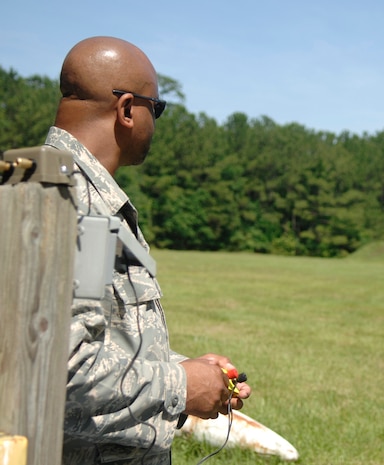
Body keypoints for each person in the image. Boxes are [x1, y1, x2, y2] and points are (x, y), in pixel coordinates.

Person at [44, 36, 251, 464]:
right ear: (126, 111)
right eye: (155, 108)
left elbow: (95, 339)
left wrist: (190, 369)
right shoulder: (73, 204)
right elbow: (55, 373)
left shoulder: (52, 185)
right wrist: (180, 385)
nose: (155, 122)